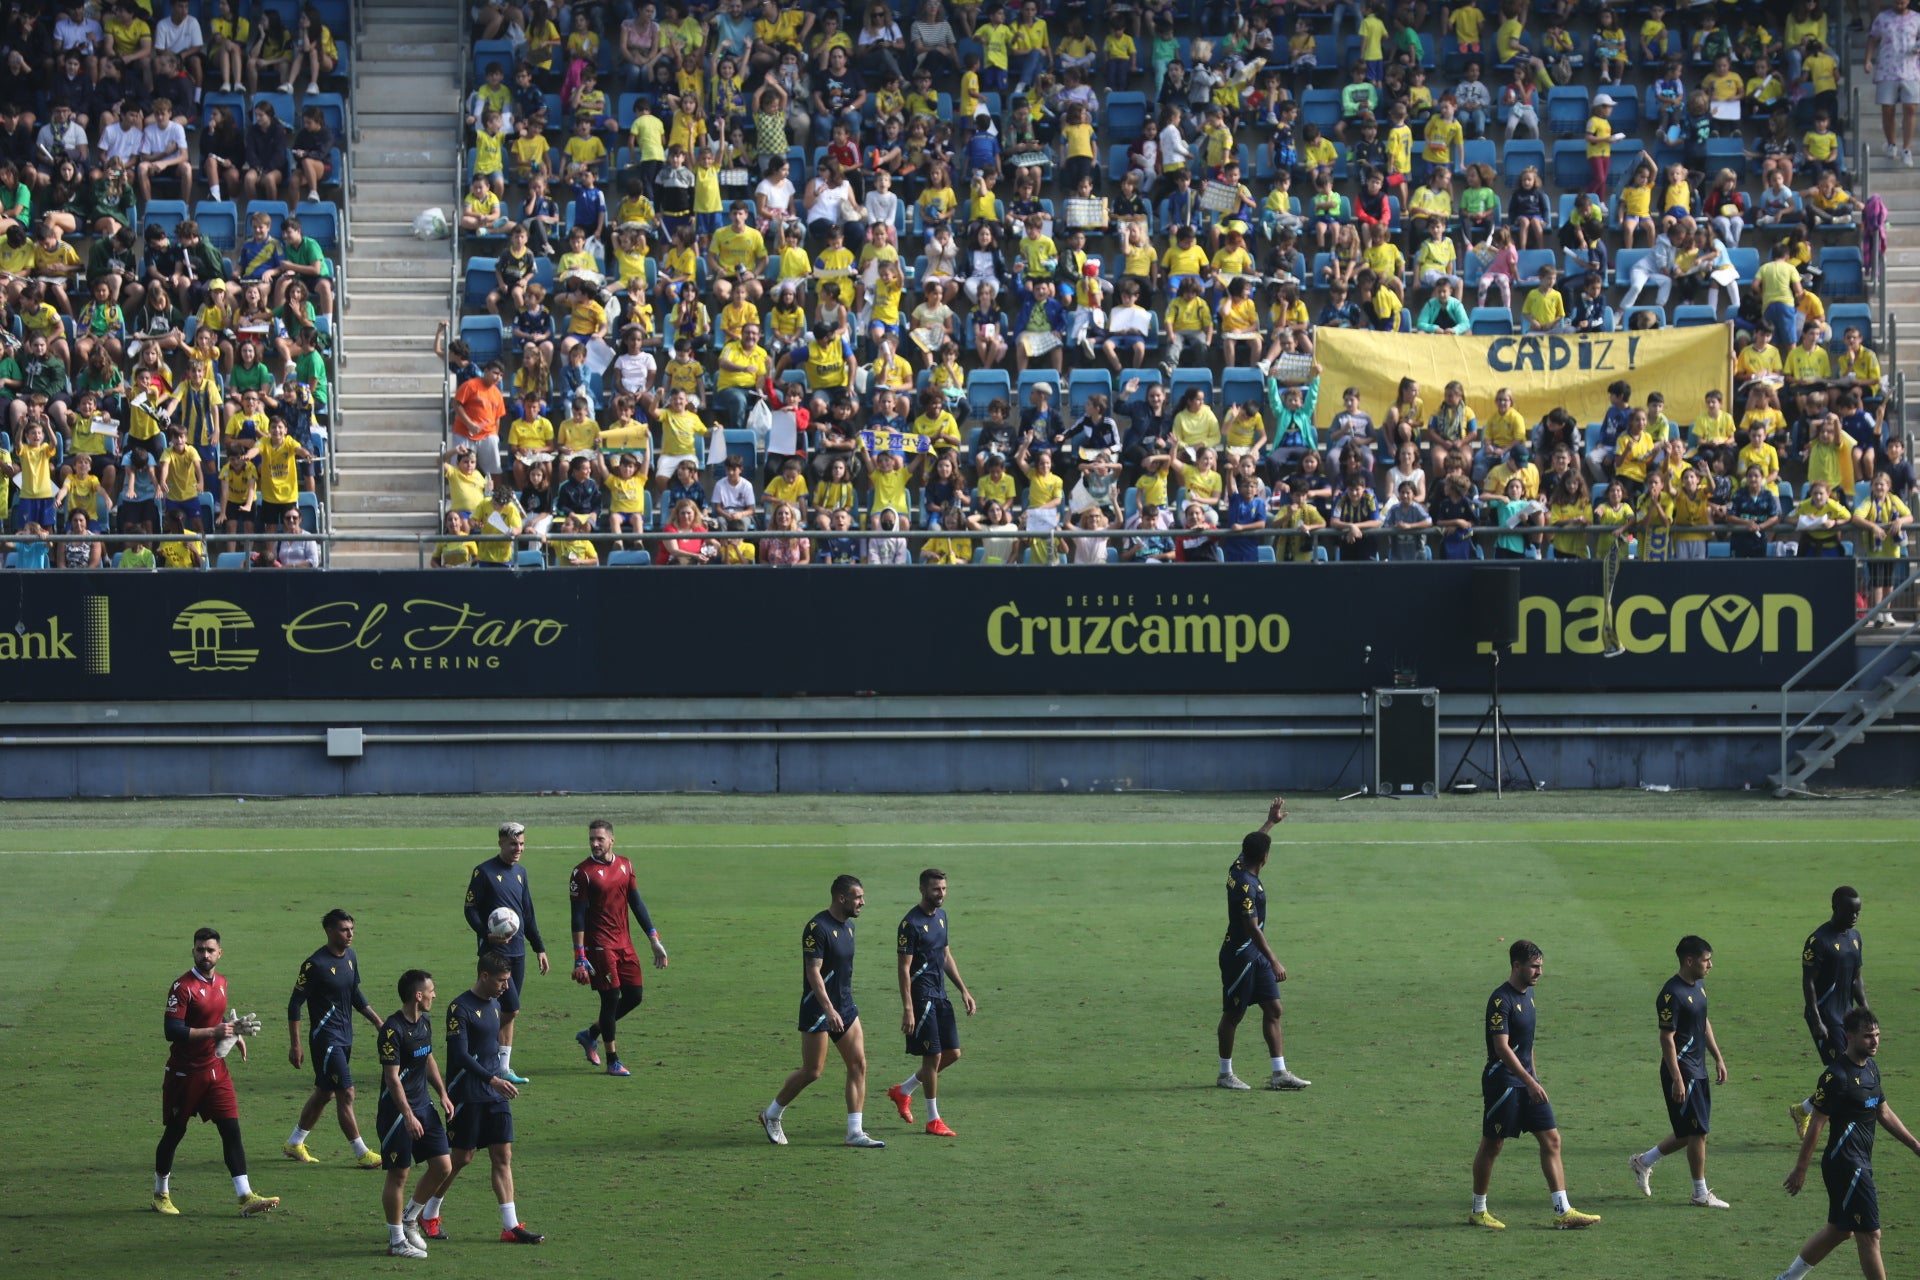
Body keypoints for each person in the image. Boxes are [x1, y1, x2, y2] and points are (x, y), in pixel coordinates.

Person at [1775, 1008, 1920, 1280]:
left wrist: (1914, 1144)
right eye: (1867, 1037)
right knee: (1871, 1235)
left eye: (1877, 1035)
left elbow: (1883, 1111)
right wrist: (1800, 1169)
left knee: (1839, 1230)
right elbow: (1816, 1123)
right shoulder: (1836, 1077)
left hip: (1859, 1162)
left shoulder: (1872, 1069)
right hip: (1847, 1165)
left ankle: (1787, 1278)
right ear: (1849, 1036)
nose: (1875, 1041)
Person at [1470, 939, 1602, 1230]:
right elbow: (1502, 1048)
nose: (1539, 972)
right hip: (1503, 1083)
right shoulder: (1500, 1000)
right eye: (1534, 966)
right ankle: (1479, 1210)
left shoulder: (1528, 996)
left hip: (1528, 1082)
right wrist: (1528, 1081)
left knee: (1552, 1139)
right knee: (1493, 1145)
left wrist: (1534, 1077)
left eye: (1541, 966)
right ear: (1516, 965)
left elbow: (1526, 1045)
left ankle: (1562, 1210)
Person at [153, 927, 278, 1217]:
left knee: (231, 1130)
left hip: (214, 1070)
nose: (205, 954)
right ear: (193, 951)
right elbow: (172, 1030)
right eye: (200, 949)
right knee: (174, 1133)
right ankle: (161, 1194)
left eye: (210, 950)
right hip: (184, 1074)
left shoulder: (221, 982)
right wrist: (215, 1031)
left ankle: (245, 1195)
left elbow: (216, 1017)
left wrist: (233, 1033)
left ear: (220, 953)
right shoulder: (181, 988)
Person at [760, 875, 887, 1148]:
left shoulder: (849, 927)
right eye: (858, 897)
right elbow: (813, 972)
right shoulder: (817, 928)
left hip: (845, 1006)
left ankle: (855, 1132)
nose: (863, 902)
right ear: (842, 898)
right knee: (813, 1071)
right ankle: (771, 1114)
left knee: (858, 1064)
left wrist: (840, 1006)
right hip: (819, 1008)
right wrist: (828, 1009)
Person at [440, 953, 544, 1245]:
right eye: (501, 981)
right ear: (484, 976)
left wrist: (501, 1075)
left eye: (508, 981)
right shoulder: (459, 1008)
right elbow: (459, 1056)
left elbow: (491, 1048)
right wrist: (493, 1079)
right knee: (460, 1159)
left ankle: (510, 1226)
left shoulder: (496, 1005)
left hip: (494, 1094)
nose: (505, 987)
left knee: (503, 1156)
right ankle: (425, 1210)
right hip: (468, 1093)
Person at [1216, 798, 1311, 1091]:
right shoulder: (1246, 886)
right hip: (1241, 956)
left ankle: (1279, 1073)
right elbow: (1252, 928)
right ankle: (1224, 1074)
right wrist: (1274, 960)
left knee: (1273, 1009)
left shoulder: (1238, 866)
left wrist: (1270, 822)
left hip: (1253, 955)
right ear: (1265, 858)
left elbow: (1255, 845)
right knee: (1234, 1015)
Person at [1628, 936, 1730, 1208]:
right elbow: (1666, 1038)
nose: (1710, 965)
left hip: (1699, 1068)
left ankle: (1643, 1162)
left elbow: (1703, 1021)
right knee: (1698, 1133)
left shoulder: (1699, 986)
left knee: (1691, 1132)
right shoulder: (1670, 994)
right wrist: (1676, 1078)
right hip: (1683, 1070)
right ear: (1689, 961)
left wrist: (1718, 1057)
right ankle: (1699, 1193)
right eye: (1706, 960)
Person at [283, 909, 385, 1167]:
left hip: (345, 1036)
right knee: (345, 1092)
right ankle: (362, 1152)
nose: (350, 934)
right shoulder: (314, 964)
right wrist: (295, 1045)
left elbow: (354, 993)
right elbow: (295, 1005)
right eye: (343, 929)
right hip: (325, 1040)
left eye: (351, 928)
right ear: (329, 931)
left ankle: (294, 1142)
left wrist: (377, 1021)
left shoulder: (350, 957)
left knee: (325, 1092)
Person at [568, 820, 670, 1077]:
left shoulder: (626, 865)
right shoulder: (582, 873)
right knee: (611, 999)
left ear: (612, 840)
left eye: (600, 839)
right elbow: (577, 917)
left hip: (624, 943)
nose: (594, 843)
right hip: (599, 946)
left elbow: (636, 902)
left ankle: (590, 1034)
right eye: (591, 839)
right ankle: (613, 1060)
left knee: (634, 996)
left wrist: (653, 938)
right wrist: (579, 957)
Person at [883, 869, 978, 1138]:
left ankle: (903, 1091)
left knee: (953, 1053)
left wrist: (964, 990)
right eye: (936, 889)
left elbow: (945, 954)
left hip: (940, 994)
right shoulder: (909, 924)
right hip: (921, 997)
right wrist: (908, 1008)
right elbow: (904, 968)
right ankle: (933, 1119)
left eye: (944, 889)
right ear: (922, 890)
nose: (942, 894)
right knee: (933, 1056)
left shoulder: (942, 918)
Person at [377, 969, 455, 1260]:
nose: (435, 994)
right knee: (399, 1174)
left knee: (443, 1166)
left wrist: (443, 1093)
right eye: (431, 990)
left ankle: (410, 1218)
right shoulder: (391, 1030)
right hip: (398, 1112)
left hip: (424, 1105)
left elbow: (428, 1057)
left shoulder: (425, 1022)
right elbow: (392, 1078)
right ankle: (396, 1240)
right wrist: (408, 1115)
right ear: (417, 995)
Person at [464, 821, 549, 1087]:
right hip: (494, 952)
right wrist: (484, 933)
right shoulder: (484, 872)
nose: (518, 849)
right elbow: (470, 909)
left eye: (522, 844)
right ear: (501, 842)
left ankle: (502, 1067)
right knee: (510, 1008)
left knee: (505, 1008)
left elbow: (528, 914)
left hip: (518, 952)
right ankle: (480, 1050)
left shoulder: (521, 873)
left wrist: (539, 948)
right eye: (513, 844)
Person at [1793, 886, 1868, 1138]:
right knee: (1842, 1073)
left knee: (1847, 1072)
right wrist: (1816, 1020)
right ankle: (1838, 1130)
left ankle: (1803, 1109)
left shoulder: (1855, 937)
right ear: (1835, 906)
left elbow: (1857, 979)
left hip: (1847, 1016)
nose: (1855, 916)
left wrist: (1865, 1011)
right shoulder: (1818, 941)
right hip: (1826, 1016)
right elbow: (1809, 983)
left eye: (1858, 911)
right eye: (1850, 910)